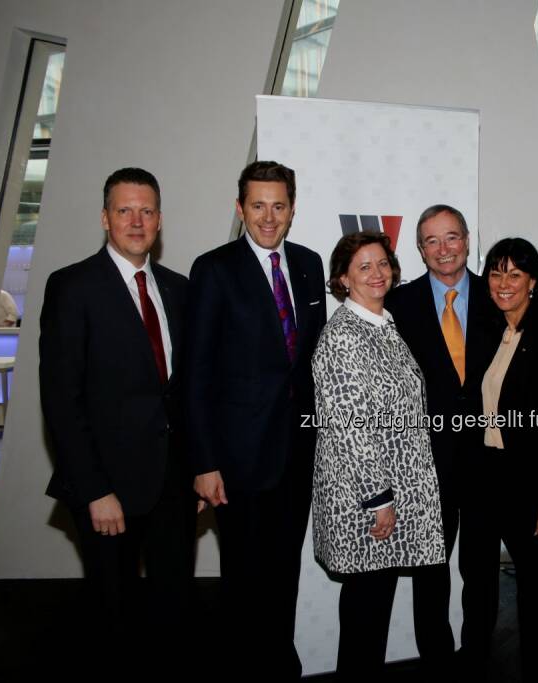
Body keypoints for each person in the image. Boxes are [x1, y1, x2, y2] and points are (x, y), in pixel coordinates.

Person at [40, 167, 194, 673]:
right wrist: (93, 490)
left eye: (146, 211)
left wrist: (196, 472)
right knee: (115, 619)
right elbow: (62, 400)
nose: (136, 220)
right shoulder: (72, 287)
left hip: (172, 488)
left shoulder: (177, 288)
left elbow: (184, 391)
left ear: (160, 221)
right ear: (105, 218)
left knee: (174, 613)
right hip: (108, 490)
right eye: (125, 210)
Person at [186, 160, 327, 678]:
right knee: (243, 578)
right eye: (258, 205)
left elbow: (312, 363)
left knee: (284, 571)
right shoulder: (215, 269)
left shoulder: (310, 265)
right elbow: (195, 373)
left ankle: (279, 662)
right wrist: (203, 461)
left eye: (279, 205)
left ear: (292, 208)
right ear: (240, 206)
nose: (269, 217)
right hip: (238, 460)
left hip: (297, 454)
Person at [311, 231, 445, 678]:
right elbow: (350, 428)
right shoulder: (343, 336)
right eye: (363, 266)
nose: (376, 273)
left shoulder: (383, 324)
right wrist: (378, 499)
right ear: (343, 279)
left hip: (389, 495)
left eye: (382, 263)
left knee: (372, 612)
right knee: (365, 618)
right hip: (365, 503)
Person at [383, 204, 495, 675]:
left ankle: (477, 658)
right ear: (419, 249)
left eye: (452, 237)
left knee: (483, 569)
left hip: (490, 461)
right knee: (430, 574)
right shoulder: (399, 305)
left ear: (468, 240)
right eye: (431, 240)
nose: (444, 249)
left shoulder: (499, 297)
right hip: (425, 465)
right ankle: (436, 663)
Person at [468, 237, 538, 681]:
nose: (503, 282)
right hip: (488, 475)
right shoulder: (494, 330)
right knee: (480, 580)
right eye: (496, 273)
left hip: (534, 484)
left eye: (515, 273)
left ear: (533, 280)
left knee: (535, 587)